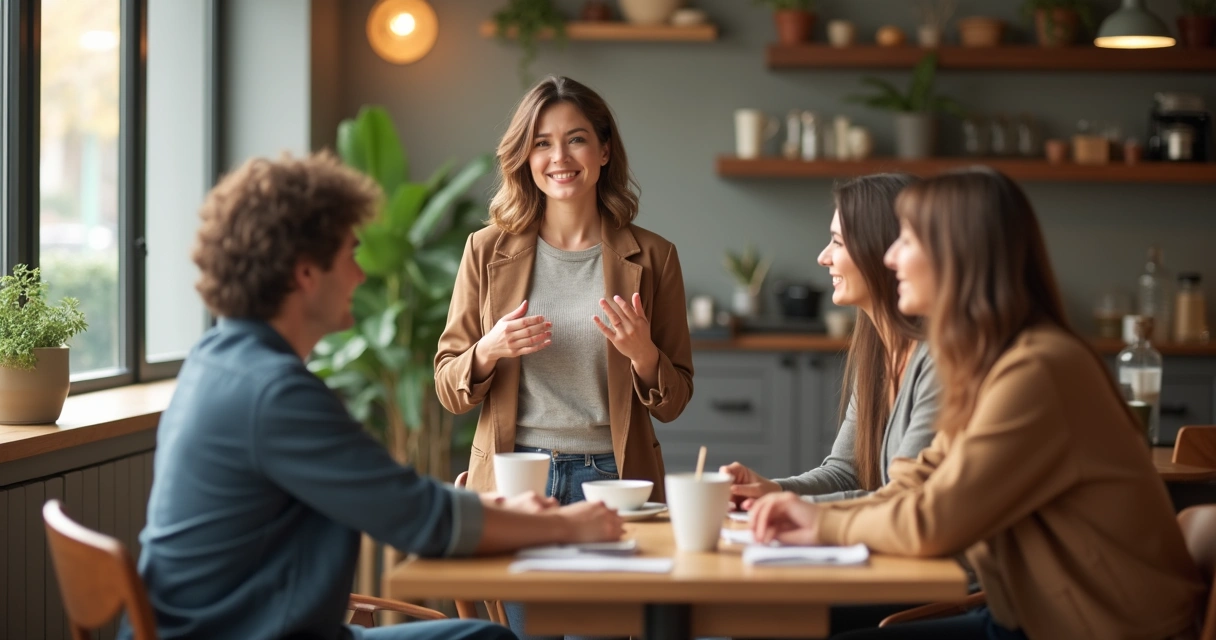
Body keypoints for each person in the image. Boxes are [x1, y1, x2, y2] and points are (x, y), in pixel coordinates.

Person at [122, 153, 624, 640]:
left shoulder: (215, 361)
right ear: (305, 273)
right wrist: (567, 526)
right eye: (349, 256)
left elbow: (401, 500)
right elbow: (417, 517)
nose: (360, 276)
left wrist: (510, 515)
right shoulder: (275, 394)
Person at [749, 167, 1203, 640]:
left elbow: (933, 519)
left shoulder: (1038, 370)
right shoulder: (990, 364)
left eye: (906, 241)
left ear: (957, 256)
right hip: (1028, 617)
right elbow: (918, 484)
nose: (890, 256)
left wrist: (817, 520)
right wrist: (791, 505)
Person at [433, 75, 694, 640]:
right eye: (543, 142)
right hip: (517, 480)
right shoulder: (485, 251)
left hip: (614, 482)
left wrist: (644, 353)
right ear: (526, 156)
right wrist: (489, 349)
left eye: (576, 140)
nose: (560, 157)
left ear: (603, 151)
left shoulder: (653, 256)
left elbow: (674, 401)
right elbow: (448, 385)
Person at [720, 174, 939, 506]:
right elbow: (844, 473)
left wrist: (794, 508)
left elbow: (905, 499)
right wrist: (771, 490)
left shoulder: (937, 361)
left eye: (838, 242)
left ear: (881, 248)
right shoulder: (878, 353)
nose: (824, 257)